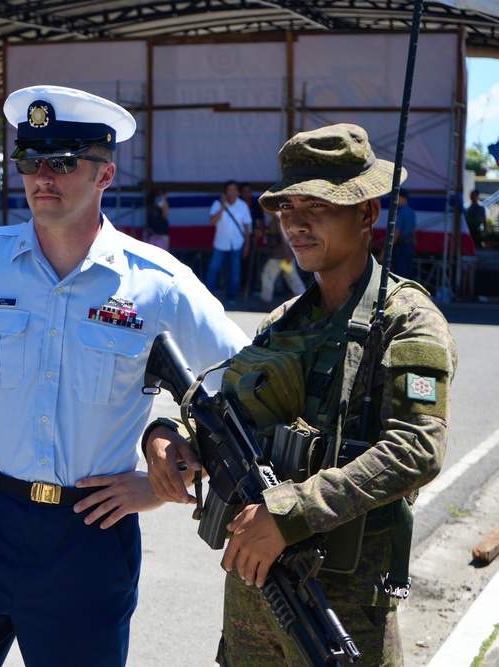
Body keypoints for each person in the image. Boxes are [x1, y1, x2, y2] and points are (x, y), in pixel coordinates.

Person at [0, 84, 248, 666]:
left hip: (88, 536)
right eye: (30, 161)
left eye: (61, 162)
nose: (42, 177)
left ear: (104, 174)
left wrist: (165, 476)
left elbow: (246, 386)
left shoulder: (157, 283)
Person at [146, 123, 456, 666]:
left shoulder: (408, 323)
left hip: (340, 602)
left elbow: (417, 448)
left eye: (319, 204)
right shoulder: (281, 322)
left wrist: (292, 512)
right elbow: (231, 422)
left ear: (367, 214)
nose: (296, 222)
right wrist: (168, 439)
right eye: (288, 206)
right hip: (252, 587)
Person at [206, 180, 252, 304]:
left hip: (237, 243)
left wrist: (247, 245)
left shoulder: (242, 205)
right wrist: (222, 206)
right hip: (220, 243)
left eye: (234, 190)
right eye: (229, 190)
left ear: (238, 192)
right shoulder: (217, 204)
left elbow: (247, 226)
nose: (232, 193)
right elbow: (213, 221)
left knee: (235, 270)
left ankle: (231, 295)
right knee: (214, 269)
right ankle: (208, 295)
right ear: (225, 192)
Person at [258, 210, 306, 310]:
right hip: (285, 253)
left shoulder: (277, 217)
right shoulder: (279, 215)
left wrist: (287, 253)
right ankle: (305, 299)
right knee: (292, 278)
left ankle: (265, 301)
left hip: (280, 255)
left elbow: (284, 235)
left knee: (267, 276)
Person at [390, 187, 417, 279]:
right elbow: (413, 229)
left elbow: (396, 233)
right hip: (409, 245)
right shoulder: (411, 211)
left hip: (400, 246)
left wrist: (385, 251)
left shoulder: (400, 213)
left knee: (400, 274)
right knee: (409, 271)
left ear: (402, 198)